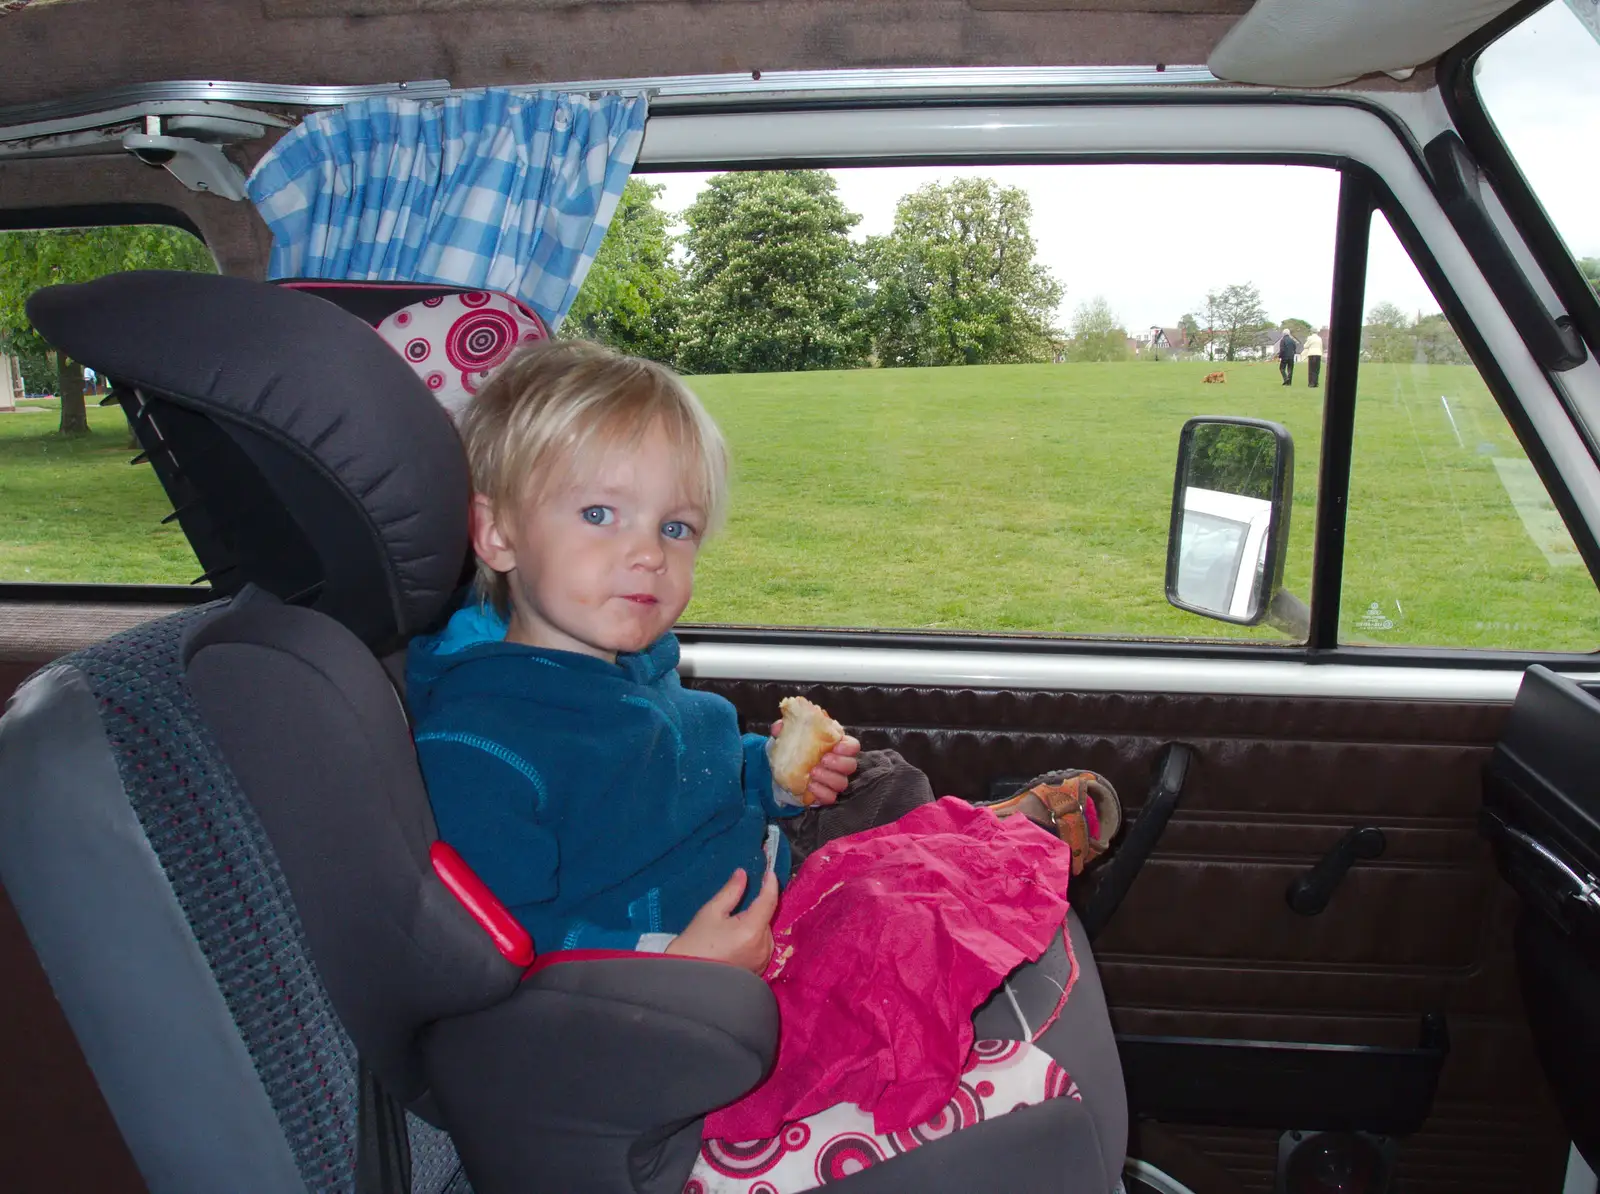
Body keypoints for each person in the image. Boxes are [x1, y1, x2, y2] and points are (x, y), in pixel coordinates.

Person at [406, 339, 1113, 971]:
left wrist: (772, 778)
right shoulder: (480, 746)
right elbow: (502, 949)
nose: (650, 553)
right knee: (900, 909)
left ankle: (979, 846)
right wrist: (673, 961)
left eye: (677, 526)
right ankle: (998, 848)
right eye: (599, 515)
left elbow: (682, 776)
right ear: (495, 534)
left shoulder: (632, 668)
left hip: (762, 870)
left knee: (880, 779)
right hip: (689, 987)